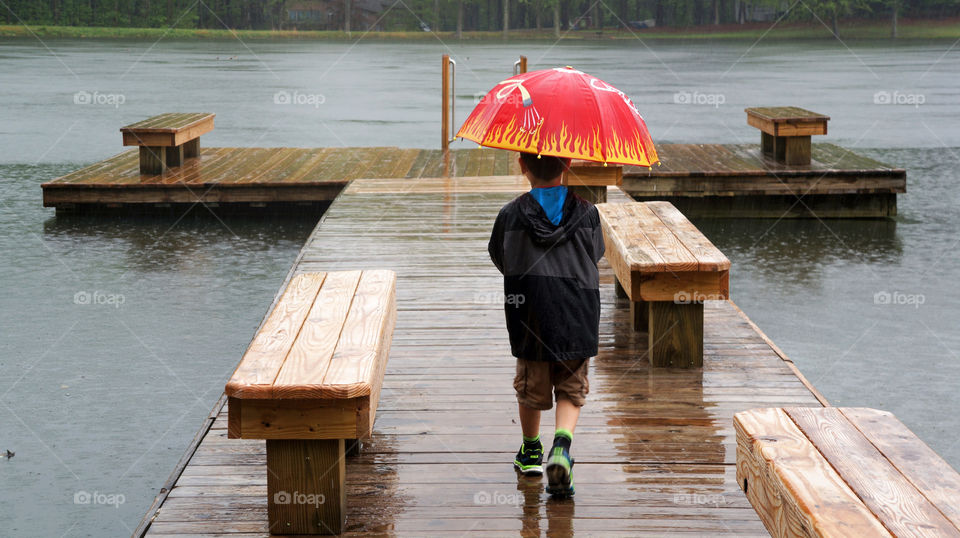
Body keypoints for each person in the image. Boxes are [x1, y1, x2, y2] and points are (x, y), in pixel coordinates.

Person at [487, 151, 605, 497]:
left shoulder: (510, 215)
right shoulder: (588, 213)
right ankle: (562, 448)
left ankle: (531, 450)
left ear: (522, 166)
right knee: (571, 385)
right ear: (568, 165)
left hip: (530, 316)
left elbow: (500, 256)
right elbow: (595, 253)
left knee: (531, 385)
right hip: (577, 313)